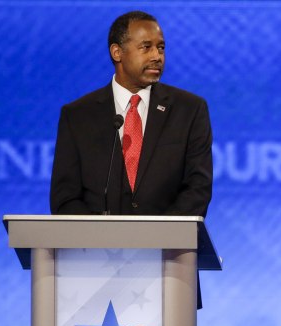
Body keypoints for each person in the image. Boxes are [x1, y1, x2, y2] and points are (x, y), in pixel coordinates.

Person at [50, 10, 212, 217]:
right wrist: (101, 238)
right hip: (96, 247)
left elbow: (198, 189)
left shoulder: (189, 109)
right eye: (146, 47)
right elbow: (65, 198)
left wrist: (157, 237)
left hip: (167, 246)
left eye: (161, 48)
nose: (157, 56)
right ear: (117, 52)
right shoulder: (77, 115)